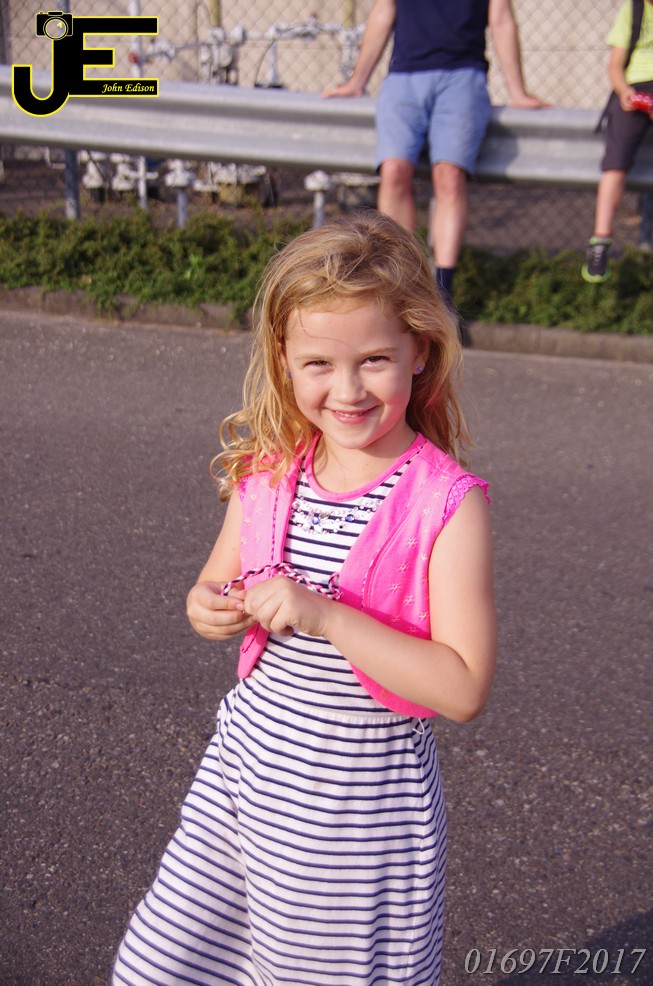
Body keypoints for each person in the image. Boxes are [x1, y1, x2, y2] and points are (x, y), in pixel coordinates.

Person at [112, 212, 497, 986]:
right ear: (282, 359)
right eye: (318, 362)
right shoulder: (269, 470)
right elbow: (213, 584)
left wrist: (326, 615)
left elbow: (461, 689)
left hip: (353, 814)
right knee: (158, 965)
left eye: (374, 360)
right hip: (244, 777)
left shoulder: (444, 504)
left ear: (420, 350)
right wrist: (208, 606)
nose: (346, 390)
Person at [323, 0, 547, 308]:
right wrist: (357, 81)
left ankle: (443, 294)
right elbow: (384, 12)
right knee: (394, 172)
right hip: (405, 76)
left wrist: (517, 91)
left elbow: (501, 19)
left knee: (449, 177)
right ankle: (400, 283)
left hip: (462, 75)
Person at [582, 0, 653, 283]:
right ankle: (600, 242)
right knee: (615, 161)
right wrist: (624, 92)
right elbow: (615, 65)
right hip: (634, 89)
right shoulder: (633, 9)